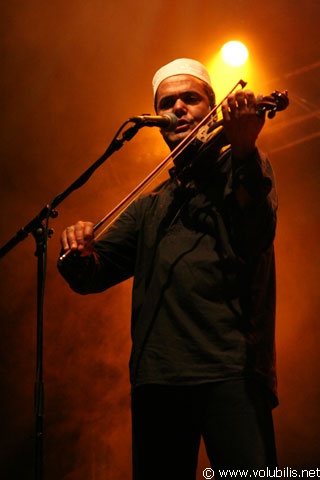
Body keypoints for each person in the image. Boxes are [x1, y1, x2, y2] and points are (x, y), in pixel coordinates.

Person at [58, 58, 279, 479]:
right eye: (167, 103)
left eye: (190, 99)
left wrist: (245, 149)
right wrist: (79, 251)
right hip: (157, 381)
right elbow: (93, 274)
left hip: (231, 374)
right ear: (156, 119)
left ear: (212, 110)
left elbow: (256, 233)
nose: (177, 108)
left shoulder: (243, 169)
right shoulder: (151, 203)